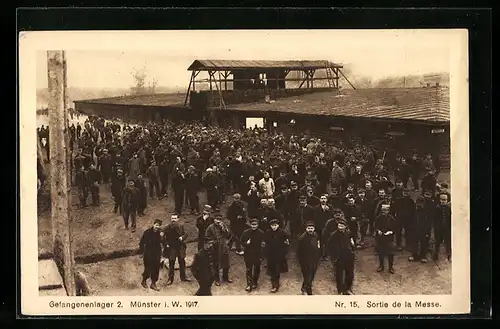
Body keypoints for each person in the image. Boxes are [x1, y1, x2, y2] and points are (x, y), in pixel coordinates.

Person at [326, 219, 356, 295]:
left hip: (348, 257)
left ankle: (348, 289)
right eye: (339, 225)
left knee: (350, 274)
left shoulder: (348, 233)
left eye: (342, 226)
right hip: (339, 258)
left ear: (345, 227)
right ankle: (340, 291)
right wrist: (334, 258)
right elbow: (329, 247)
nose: (340, 227)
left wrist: (352, 251)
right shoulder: (333, 235)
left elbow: (352, 243)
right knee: (339, 275)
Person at [163, 214, 192, 285]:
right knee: (171, 263)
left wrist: (182, 237)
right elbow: (163, 236)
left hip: (180, 246)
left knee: (182, 262)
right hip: (172, 247)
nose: (173, 220)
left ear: (178, 219)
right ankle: (170, 279)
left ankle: (183, 277)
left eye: (175, 218)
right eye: (172, 218)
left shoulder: (181, 226)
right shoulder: (167, 227)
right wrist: (166, 244)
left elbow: (185, 234)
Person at [205, 214, 232, 286]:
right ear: (214, 220)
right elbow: (206, 237)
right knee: (216, 263)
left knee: (226, 262)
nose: (218, 221)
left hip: (223, 246)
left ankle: (225, 277)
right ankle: (217, 279)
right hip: (215, 247)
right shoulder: (210, 227)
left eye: (220, 219)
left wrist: (223, 229)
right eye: (217, 219)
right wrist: (212, 242)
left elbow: (228, 235)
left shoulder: (223, 226)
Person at [263, 218, 290, 293]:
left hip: (279, 255)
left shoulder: (282, 233)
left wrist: (284, 252)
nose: (274, 227)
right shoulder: (268, 232)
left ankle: (276, 285)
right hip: (270, 255)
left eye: (275, 225)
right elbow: (265, 243)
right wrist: (265, 253)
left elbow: (287, 243)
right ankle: (273, 284)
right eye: (272, 225)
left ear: (278, 225)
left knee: (277, 270)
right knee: (272, 270)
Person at [139, 219, 166, 291]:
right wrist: (142, 252)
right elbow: (142, 243)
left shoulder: (161, 233)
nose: (157, 227)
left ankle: (153, 284)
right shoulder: (147, 232)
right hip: (148, 253)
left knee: (156, 268)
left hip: (157, 253)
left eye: (159, 225)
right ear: (153, 224)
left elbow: (164, 243)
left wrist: (162, 237)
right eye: (156, 225)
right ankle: (144, 281)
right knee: (148, 268)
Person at [240, 218, 265, 292]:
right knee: (248, 269)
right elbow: (241, 242)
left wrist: (262, 255)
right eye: (252, 224)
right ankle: (249, 284)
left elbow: (263, 245)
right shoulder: (246, 232)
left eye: (255, 225)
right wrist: (246, 243)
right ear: (250, 225)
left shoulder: (261, 233)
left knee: (257, 269)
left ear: (258, 225)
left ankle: (255, 282)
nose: (254, 226)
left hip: (258, 254)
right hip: (248, 254)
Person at [297, 221, 321, 295]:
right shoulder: (302, 238)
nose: (310, 230)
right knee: (308, 276)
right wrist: (302, 261)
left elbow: (318, 245)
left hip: (314, 259)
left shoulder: (315, 235)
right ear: (306, 229)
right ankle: (309, 292)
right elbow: (299, 251)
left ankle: (304, 287)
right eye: (308, 228)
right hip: (305, 260)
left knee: (312, 275)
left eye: (312, 228)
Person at [374, 204, 396, 273]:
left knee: (390, 253)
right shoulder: (378, 218)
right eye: (382, 210)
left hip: (389, 238)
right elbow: (375, 227)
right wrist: (378, 231)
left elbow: (395, 228)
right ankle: (381, 266)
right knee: (381, 253)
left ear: (388, 211)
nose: (384, 212)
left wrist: (391, 232)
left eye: (385, 210)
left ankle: (390, 267)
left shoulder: (391, 218)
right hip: (380, 238)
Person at [433, 193, 452, 262]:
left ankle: (449, 255)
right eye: (442, 200)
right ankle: (435, 254)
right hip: (439, 228)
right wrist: (436, 228)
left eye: (445, 200)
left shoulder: (448, 208)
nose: (443, 201)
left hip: (446, 228)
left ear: (447, 200)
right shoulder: (437, 208)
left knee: (448, 242)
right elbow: (434, 219)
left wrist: (449, 227)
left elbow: (450, 218)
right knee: (438, 241)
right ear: (440, 200)